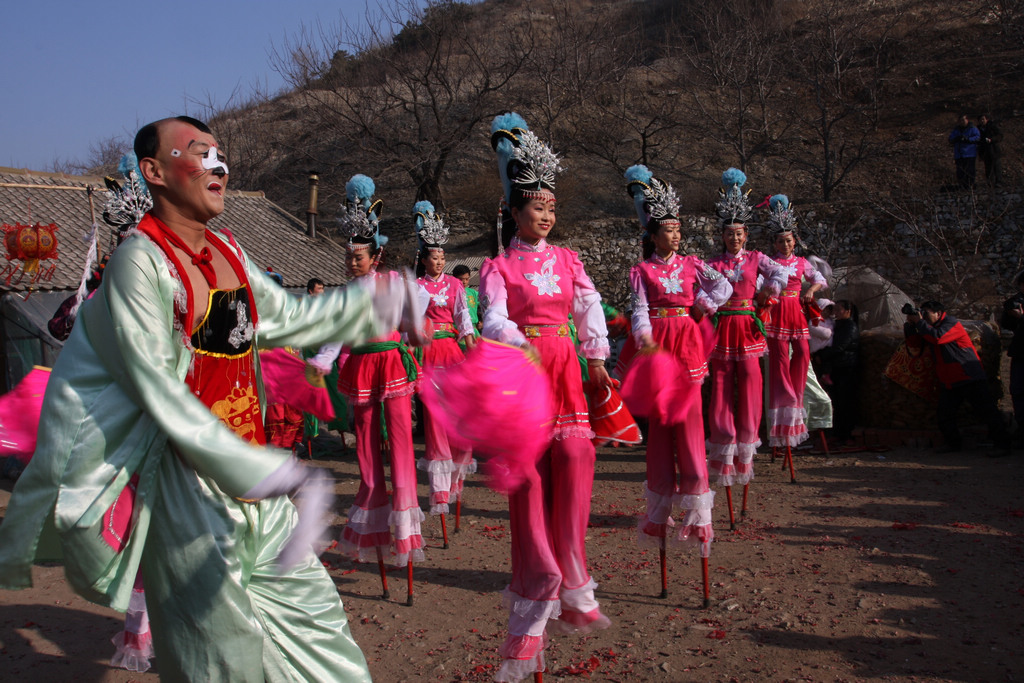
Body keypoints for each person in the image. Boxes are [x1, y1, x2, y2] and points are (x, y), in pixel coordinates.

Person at [0, 116, 421, 681]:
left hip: (258, 493)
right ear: (154, 171)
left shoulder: (228, 251)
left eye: (222, 156)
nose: (220, 168)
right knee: (220, 660)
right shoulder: (138, 264)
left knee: (323, 639)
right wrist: (269, 472)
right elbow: (160, 393)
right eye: (201, 154)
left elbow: (290, 316)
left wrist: (378, 301)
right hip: (189, 493)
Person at [481, 112, 612, 682]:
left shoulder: (568, 260)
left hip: (565, 366)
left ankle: (572, 559)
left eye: (553, 208)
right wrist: (517, 342)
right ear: (514, 211)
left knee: (578, 455)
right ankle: (539, 571)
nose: (548, 216)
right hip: (526, 369)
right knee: (529, 476)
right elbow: (491, 319)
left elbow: (587, 306)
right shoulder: (498, 267)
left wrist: (598, 356)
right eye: (538, 207)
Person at [621, 164, 732, 600]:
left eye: (678, 228)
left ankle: (698, 508)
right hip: (658, 344)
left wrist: (702, 304)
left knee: (688, 425)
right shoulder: (640, 270)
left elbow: (723, 286)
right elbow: (637, 309)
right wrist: (644, 336)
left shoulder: (692, 264)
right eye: (668, 229)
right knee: (660, 429)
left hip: (685, 339)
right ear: (653, 234)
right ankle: (662, 506)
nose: (676, 235)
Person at [336, 174, 427, 602]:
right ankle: (373, 501)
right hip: (360, 366)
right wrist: (318, 366)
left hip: (391, 363)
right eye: (349, 256)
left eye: (359, 256)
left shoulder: (394, 283)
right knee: (366, 448)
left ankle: (406, 513)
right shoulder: (344, 295)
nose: (353, 262)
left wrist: (419, 334)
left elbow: (413, 324)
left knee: (403, 441)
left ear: (377, 256)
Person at [705, 169, 787, 522]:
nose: (734, 238)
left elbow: (780, 274)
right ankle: (724, 442)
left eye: (739, 233)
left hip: (749, 327)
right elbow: (702, 290)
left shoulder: (756, 259)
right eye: (729, 233)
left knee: (753, 381)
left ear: (746, 234)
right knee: (721, 383)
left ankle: (749, 440)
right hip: (723, 326)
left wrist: (771, 293)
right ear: (722, 236)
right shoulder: (712, 264)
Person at [412, 200, 477, 546]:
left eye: (442, 256)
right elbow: (409, 323)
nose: (438, 261)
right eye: (433, 256)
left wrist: (472, 347)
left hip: (453, 351)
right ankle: (438, 492)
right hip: (428, 353)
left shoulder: (455, 286)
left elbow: (464, 319)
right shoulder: (416, 286)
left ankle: (457, 480)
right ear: (424, 258)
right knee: (436, 419)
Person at [763, 194, 827, 468]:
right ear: (774, 243)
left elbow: (820, 280)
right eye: (780, 241)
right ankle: (785, 396)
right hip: (778, 311)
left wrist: (810, 290)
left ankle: (796, 396)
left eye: (789, 240)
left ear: (794, 240)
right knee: (779, 358)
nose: (785, 244)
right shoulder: (769, 262)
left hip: (796, 312)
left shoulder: (803, 263)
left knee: (802, 352)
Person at [905, 301, 1010, 454]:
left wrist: (920, 323)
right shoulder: (927, 328)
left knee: (987, 411)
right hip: (949, 379)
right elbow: (914, 344)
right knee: (945, 414)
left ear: (938, 313)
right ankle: (953, 443)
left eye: (926, 313)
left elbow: (938, 338)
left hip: (969, 376)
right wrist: (910, 326)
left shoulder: (951, 324)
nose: (924, 317)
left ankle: (1003, 445)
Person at [817, 299, 860, 444]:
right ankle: (837, 433)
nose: (835, 313)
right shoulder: (837, 325)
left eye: (838, 309)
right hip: (836, 368)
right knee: (835, 402)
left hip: (846, 368)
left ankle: (847, 434)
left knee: (845, 402)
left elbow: (840, 346)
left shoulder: (850, 326)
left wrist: (822, 356)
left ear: (848, 311)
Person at [1000, 272, 1024, 441]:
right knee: (1018, 392)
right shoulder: (1017, 302)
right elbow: (1007, 324)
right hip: (1021, 353)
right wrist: (1012, 315)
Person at [949, 113, 981, 190]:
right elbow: (950, 139)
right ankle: (962, 185)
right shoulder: (956, 130)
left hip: (969, 153)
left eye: (963, 120)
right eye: (960, 120)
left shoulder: (972, 128)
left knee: (970, 170)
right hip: (959, 154)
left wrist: (968, 139)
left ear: (967, 120)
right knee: (960, 171)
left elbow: (977, 137)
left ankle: (970, 185)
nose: (962, 122)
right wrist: (957, 139)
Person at [452, 263, 481, 332]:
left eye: (467, 279)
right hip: (457, 327)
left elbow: (483, 307)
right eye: (461, 279)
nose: (464, 282)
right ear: (454, 279)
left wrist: (481, 320)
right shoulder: (451, 293)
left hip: (473, 326)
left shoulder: (473, 293)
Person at [978, 113, 1004, 187]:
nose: (982, 121)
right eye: (980, 120)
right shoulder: (978, 129)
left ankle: (999, 181)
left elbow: (1000, 136)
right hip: (985, 150)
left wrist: (992, 139)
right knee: (988, 168)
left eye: (983, 119)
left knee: (997, 166)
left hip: (994, 149)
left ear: (987, 119)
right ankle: (990, 182)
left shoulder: (992, 126)